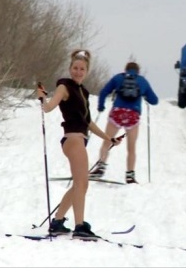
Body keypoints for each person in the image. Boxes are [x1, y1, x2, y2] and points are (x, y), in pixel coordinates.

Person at [36, 49, 122, 240]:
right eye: (75, 68)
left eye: (81, 69)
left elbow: (88, 122)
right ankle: (79, 226)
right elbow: (49, 107)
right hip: (73, 139)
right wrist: (42, 96)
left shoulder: (83, 92)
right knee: (82, 184)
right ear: (70, 68)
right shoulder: (64, 87)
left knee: (79, 184)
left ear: (86, 71)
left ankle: (57, 222)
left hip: (79, 139)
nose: (77, 71)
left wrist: (110, 139)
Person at [90, 62, 158, 184]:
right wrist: (145, 96)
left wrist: (101, 106)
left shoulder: (118, 78)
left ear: (125, 69)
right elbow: (155, 100)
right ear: (138, 71)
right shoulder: (142, 81)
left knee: (107, 142)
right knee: (131, 148)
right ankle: (130, 175)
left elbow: (104, 92)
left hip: (117, 113)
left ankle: (100, 168)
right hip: (133, 116)